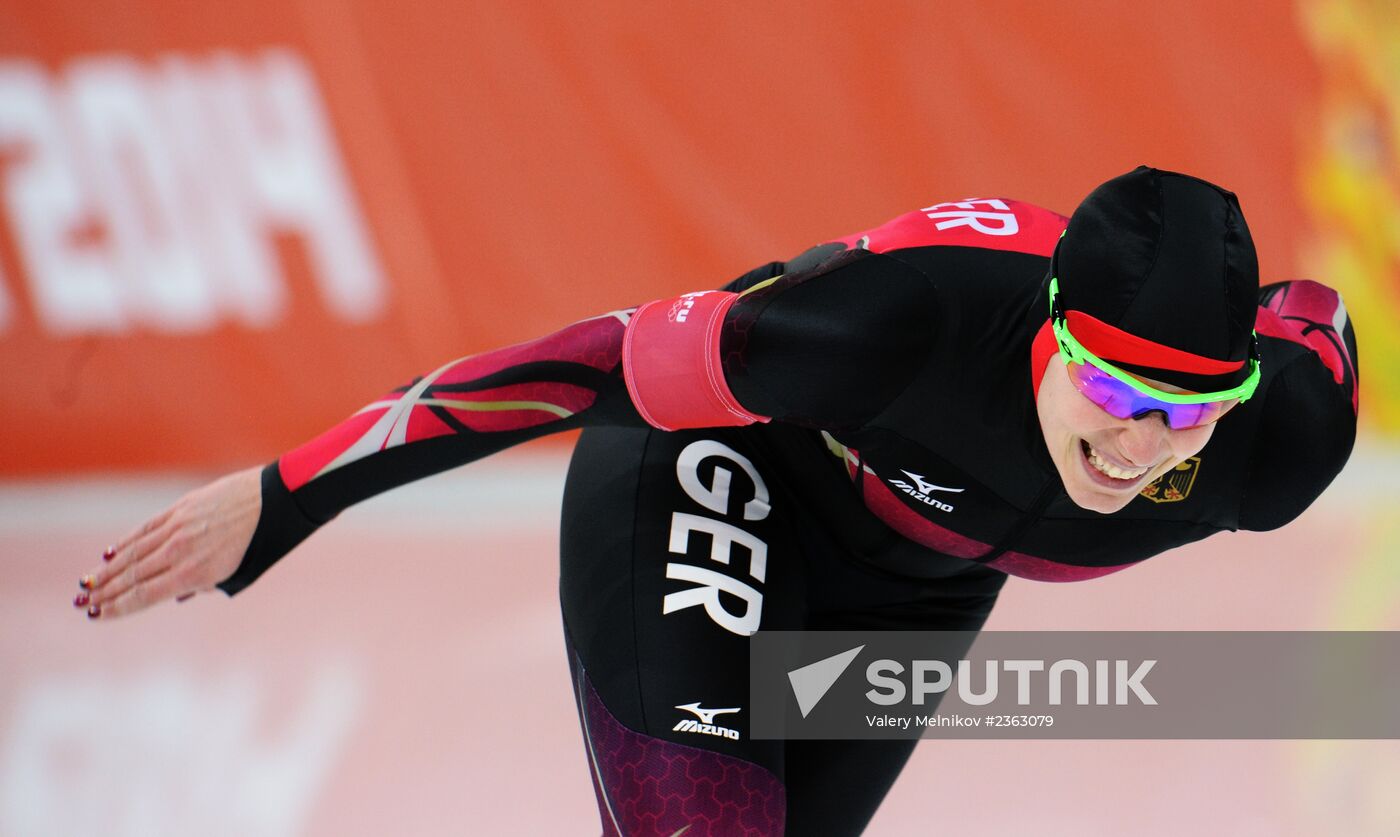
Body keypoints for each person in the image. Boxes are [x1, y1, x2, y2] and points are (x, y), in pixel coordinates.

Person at [74, 167, 1359, 836]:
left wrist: (1243, 367)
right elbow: (579, 369)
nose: (1141, 449)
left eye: (1186, 412)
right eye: (1113, 396)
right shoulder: (893, 325)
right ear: (1051, 334)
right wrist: (287, 495)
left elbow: (1317, 319)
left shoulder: (1271, 444)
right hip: (728, 475)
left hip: (921, 586)